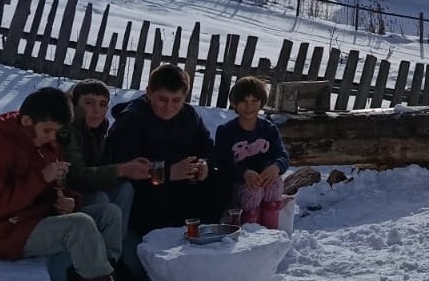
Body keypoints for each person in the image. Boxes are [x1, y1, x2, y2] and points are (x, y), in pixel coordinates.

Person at [0, 87, 146, 281]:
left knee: (109, 214)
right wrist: (40, 179)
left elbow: (60, 187)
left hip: (37, 219)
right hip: (4, 232)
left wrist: (68, 201)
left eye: (56, 132)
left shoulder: (47, 145)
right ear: (27, 121)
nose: (51, 137)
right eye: (47, 130)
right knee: (79, 225)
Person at [108, 64, 231, 243]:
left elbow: (207, 147)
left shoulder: (189, 115)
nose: (169, 106)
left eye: (176, 100)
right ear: (149, 93)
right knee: (156, 193)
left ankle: (203, 237)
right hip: (146, 187)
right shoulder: (132, 119)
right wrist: (167, 172)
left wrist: (205, 164)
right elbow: (123, 163)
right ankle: (160, 243)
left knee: (220, 182)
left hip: (184, 183)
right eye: (163, 99)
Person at [61, 79, 150, 281]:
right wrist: (121, 169)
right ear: (75, 104)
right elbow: (76, 175)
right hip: (66, 195)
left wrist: (128, 168)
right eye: (89, 103)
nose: (96, 110)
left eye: (102, 104)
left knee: (125, 188)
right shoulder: (68, 131)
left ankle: (115, 255)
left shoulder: (98, 130)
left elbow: (101, 167)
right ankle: (99, 261)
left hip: (86, 188)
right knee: (101, 199)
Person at [215, 76, 291, 229]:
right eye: (244, 101)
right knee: (253, 191)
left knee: (275, 184)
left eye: (254, 100)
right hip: (238, 185)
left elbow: (282, 154)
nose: (249, 106)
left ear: (262, 102)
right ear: (234, 103)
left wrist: (276, 166)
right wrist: (243, 173)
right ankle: (249, 230)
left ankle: (270, 231)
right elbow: (222, 163)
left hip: (264, 180)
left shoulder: (269, 129)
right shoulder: (226, 131)